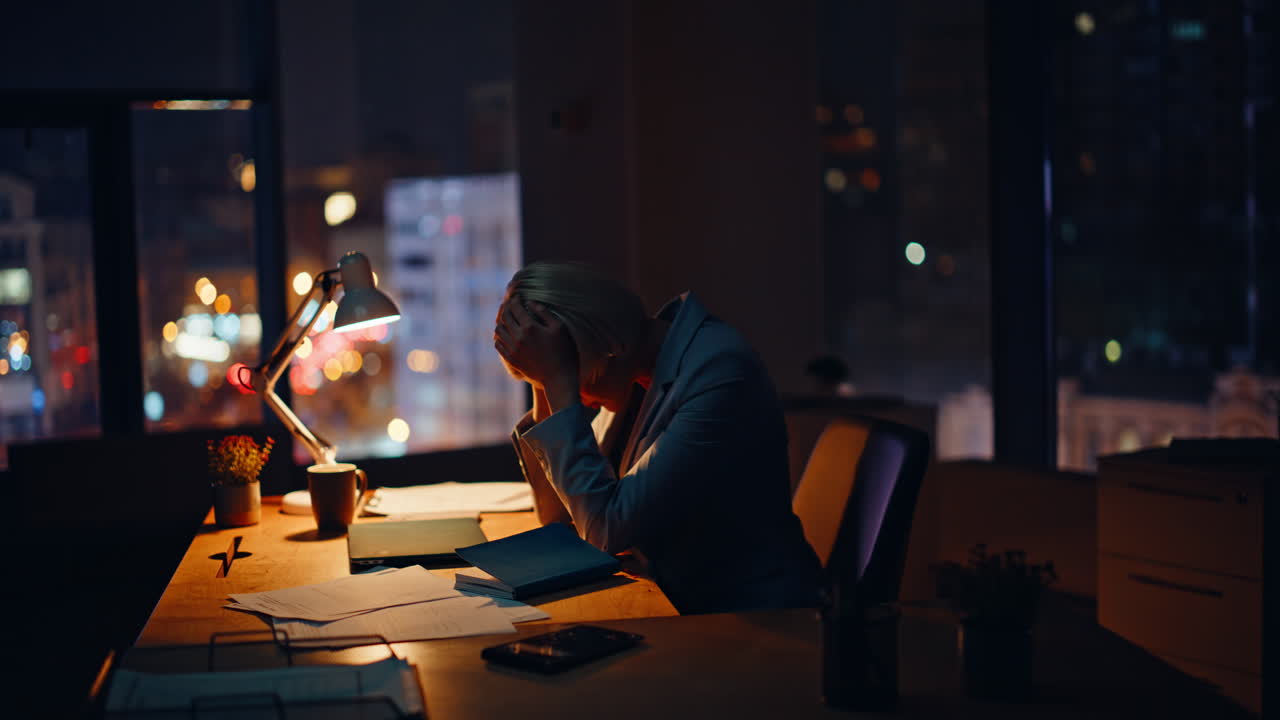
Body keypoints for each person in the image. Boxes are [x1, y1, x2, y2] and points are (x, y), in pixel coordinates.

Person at [493, 261, 822, 614]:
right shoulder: (634, 370)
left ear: (600, 344)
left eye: (573, 382)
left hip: (751, 617)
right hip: (675, 599)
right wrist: (544, 381)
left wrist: (559, 381)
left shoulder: (719, 372)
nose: (581, 401)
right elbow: (559, 520)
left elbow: (603, 532)